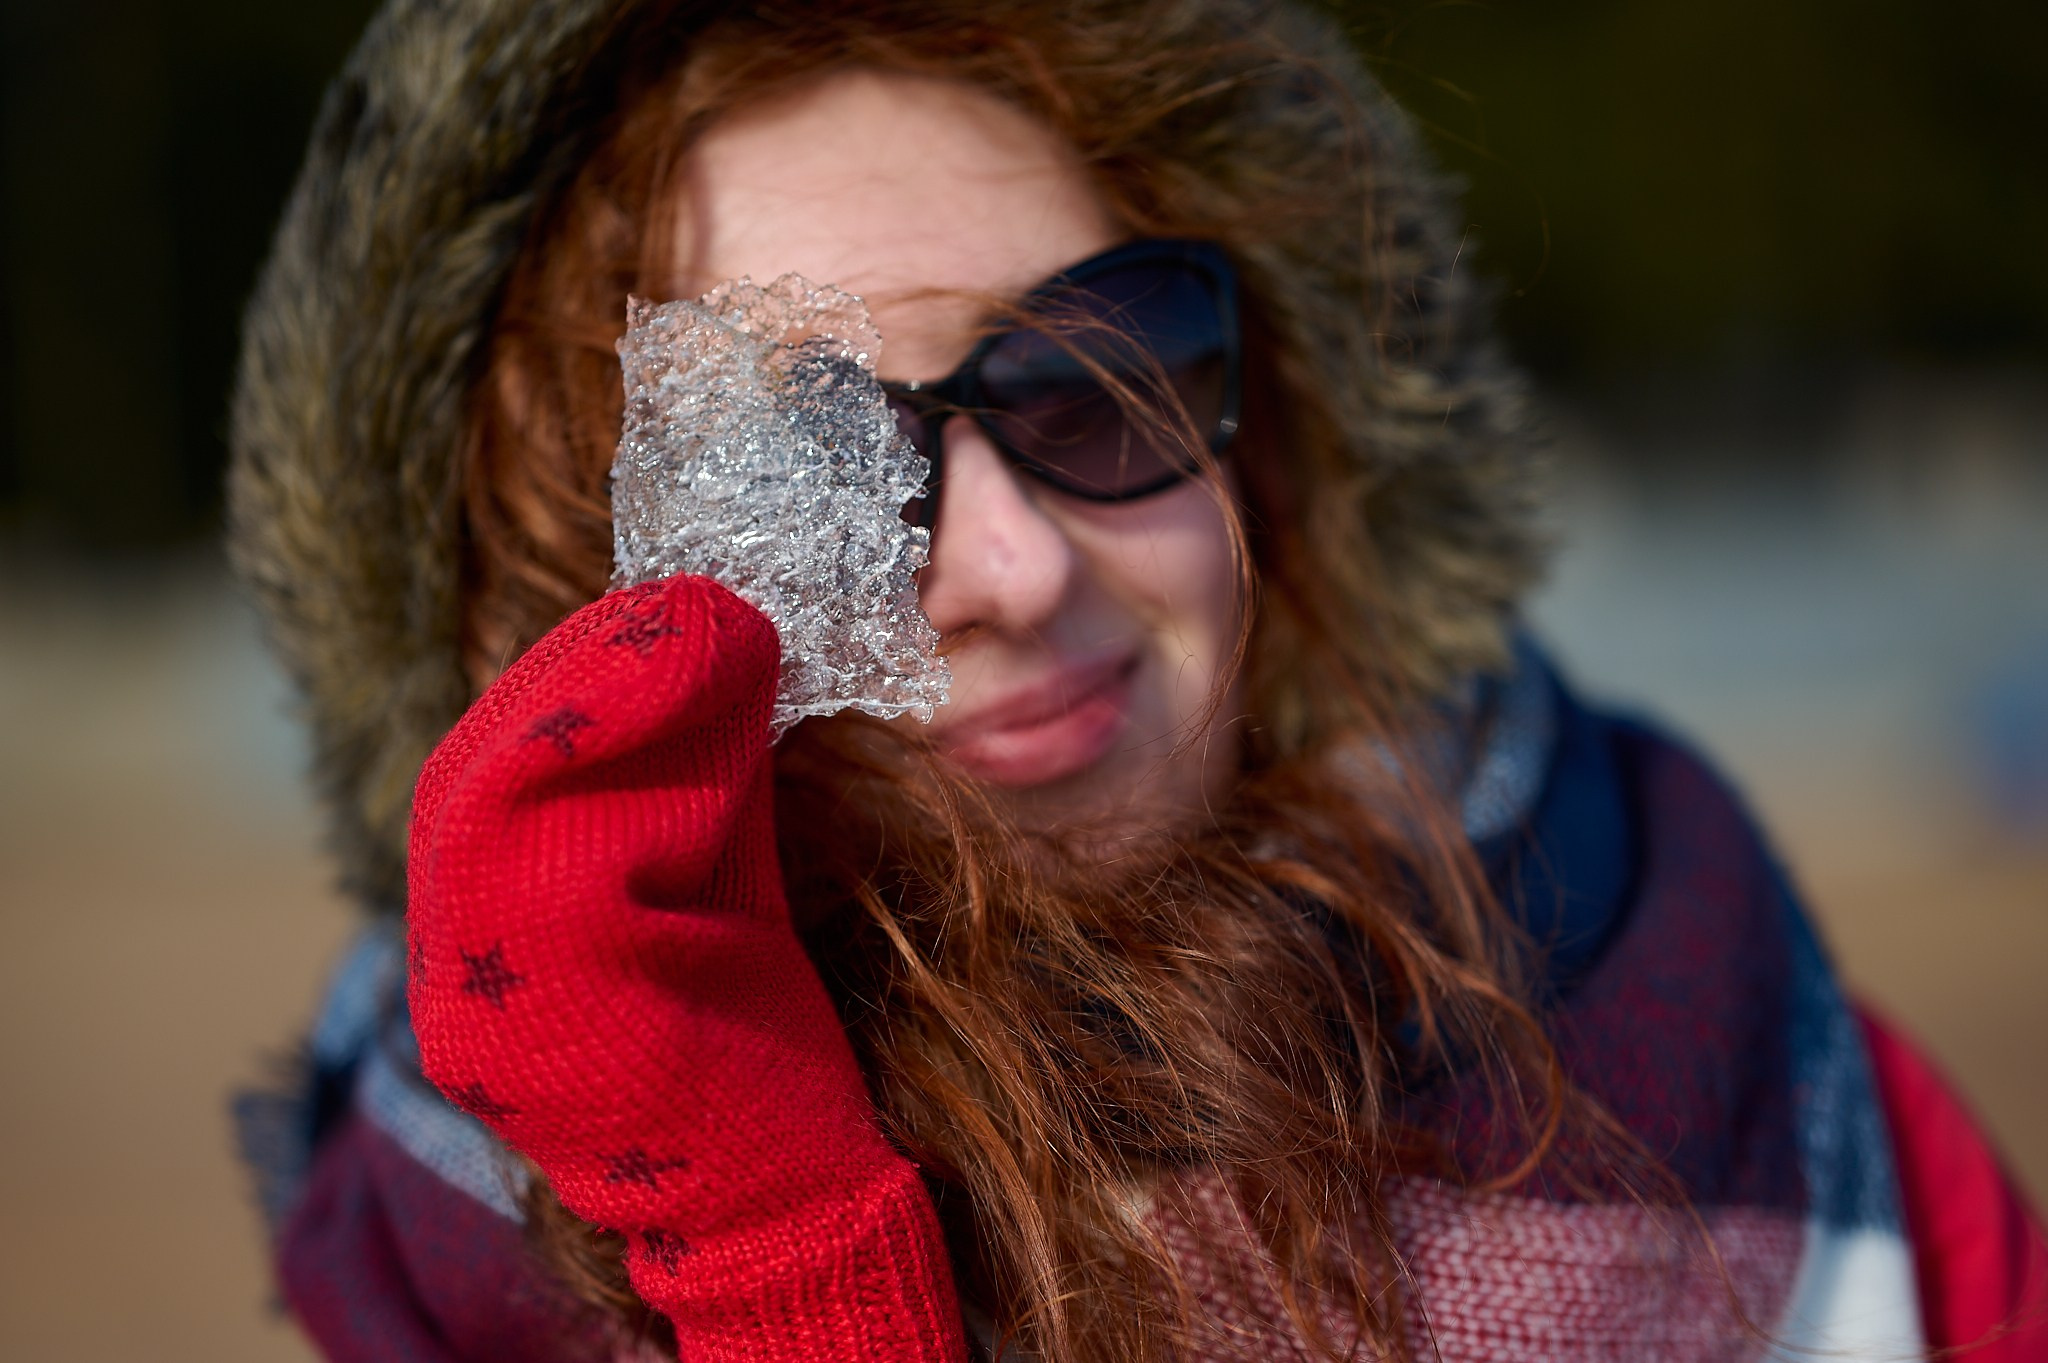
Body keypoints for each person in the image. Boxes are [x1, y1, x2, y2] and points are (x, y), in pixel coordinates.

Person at [226, 1, 2048, 1359]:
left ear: (1277, 437)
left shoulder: (1745, 1032)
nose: (1013, 568)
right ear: (556, 595)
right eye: (799, 476)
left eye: (1100, 379)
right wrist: (778, 1255)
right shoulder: (445, 1260)